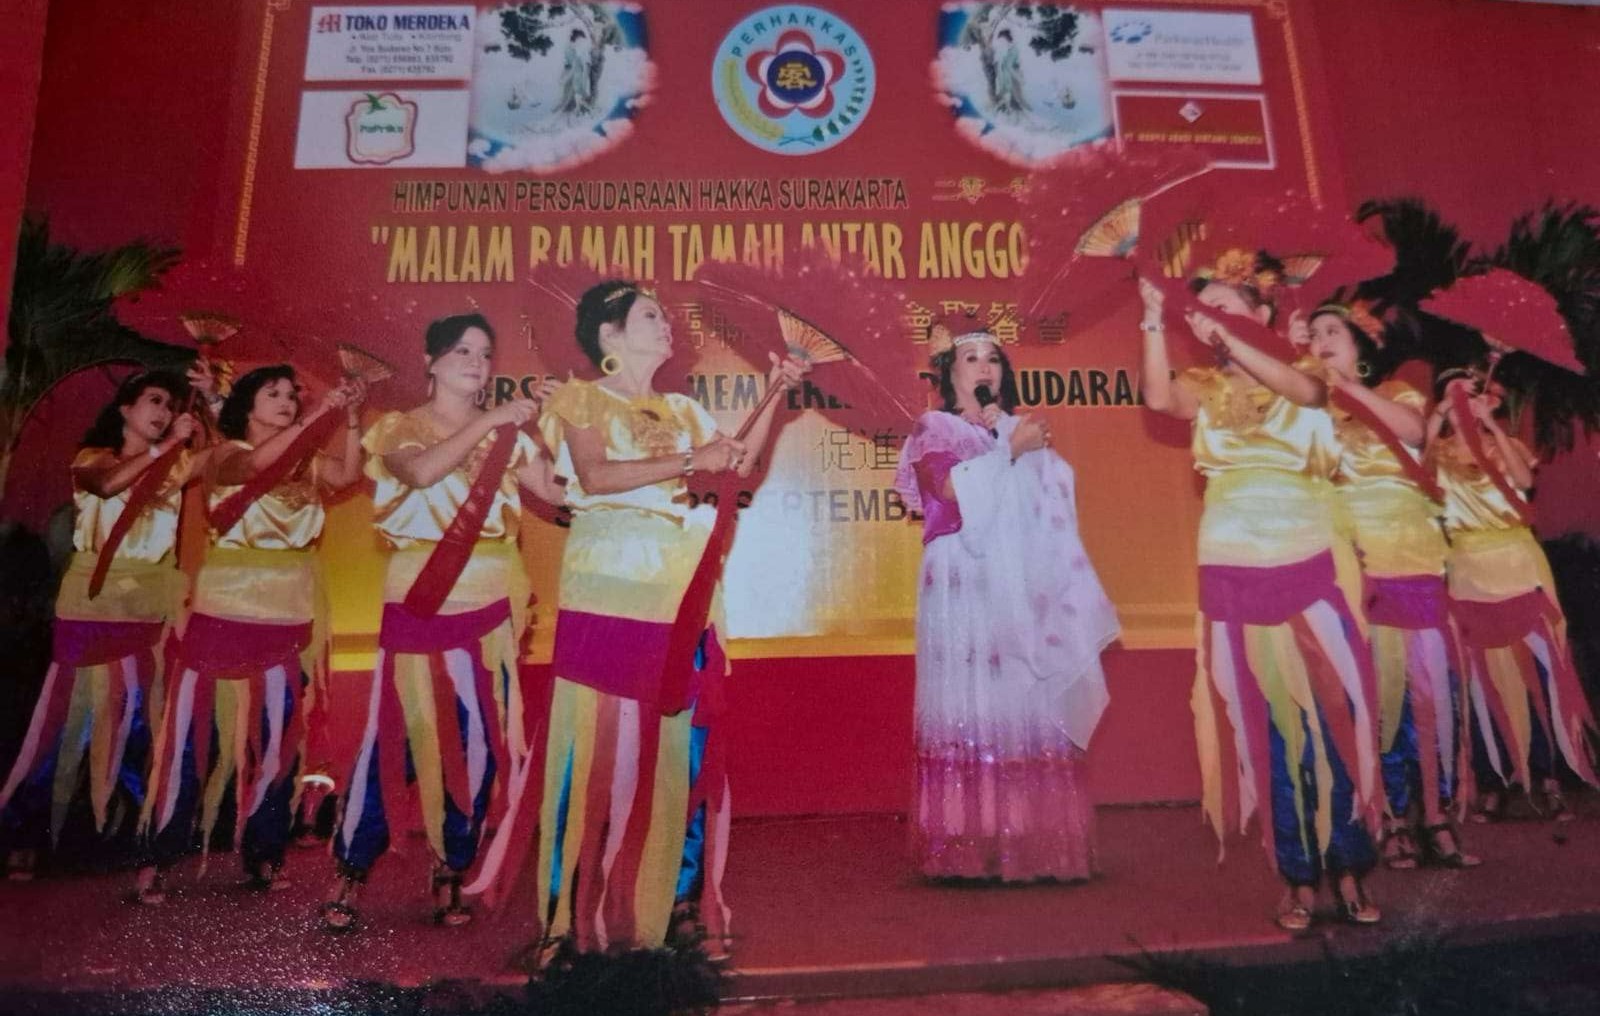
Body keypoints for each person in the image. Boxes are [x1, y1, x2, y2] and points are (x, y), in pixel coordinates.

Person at [525, 280, 804, 955]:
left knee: (679, 750)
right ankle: (569, 913)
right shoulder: (581, 398)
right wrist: (688, 459)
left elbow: (738, 461)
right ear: (610, 334)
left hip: (676, 592)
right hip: (606, 590)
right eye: (650, 315)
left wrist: (777, 392)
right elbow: (594, 476)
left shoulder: (682, 408)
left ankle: (670, 901)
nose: (666, 324)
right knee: (588, 756)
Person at [1139, 253, 1383, 931]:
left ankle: (1350, 868)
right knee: (1273, 733)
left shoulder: (1306, 370)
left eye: (1224, 303)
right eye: (1204, 305)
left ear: (1263, 312)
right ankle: (1297, 878)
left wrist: (1233, 341)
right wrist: (1153, 319)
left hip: (1305, 563)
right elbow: (1158, 399)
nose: (1210, 314)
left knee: (1334, 716)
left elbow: (1303, 395)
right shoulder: (1206, 386)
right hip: (1231, 569)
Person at [323, 313, 561, 930]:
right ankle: (351, 868)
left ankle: (452, 864)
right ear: (430, 362)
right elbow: (420, 472)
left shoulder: (510, 434)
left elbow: (560, 496)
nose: (477, 363)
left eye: (484, 353)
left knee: (478, 742)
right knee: (395, 737)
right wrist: (493, 420)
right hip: (420, 599)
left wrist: (560, 424)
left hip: (491, 603)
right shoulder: (397, 427)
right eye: (461, 352)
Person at [893, 327, 1117, 882]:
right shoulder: (935, 427)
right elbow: (948, 492)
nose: (983, 367)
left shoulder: (1018, 429)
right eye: (970, 358)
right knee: (969, 703)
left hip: (1017, 577)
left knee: (1023, 695)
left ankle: (1028, 840)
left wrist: (1020, 448)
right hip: (960, 579)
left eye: (992, 358)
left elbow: (1052, 503)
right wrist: (1008, 453)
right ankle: (966, 845)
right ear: (949, 373)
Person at [137, 364, 367, 901]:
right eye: (274, 394)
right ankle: (157, 857)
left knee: (278, 747)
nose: (287, 400)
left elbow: (346, 477)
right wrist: (321, 411)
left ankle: (264, 852)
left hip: (287, 616)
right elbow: (261, 462)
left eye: (291, 394)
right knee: (191, 742)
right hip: (223, 614)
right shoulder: (224, 454)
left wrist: (353, 419)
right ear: (246, 406)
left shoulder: (309, 460)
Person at [0, 369, 206, 884]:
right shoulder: (91, 458)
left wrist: (215, 401)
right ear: (125, 409)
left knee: (139, 726)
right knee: (64, 725)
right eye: (153, 400)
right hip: (92, 610)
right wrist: (169, 447)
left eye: (170, 404)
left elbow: (228, 462)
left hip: (147, 610)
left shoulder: (177, 465)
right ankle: (22, 834)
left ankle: (124, 839)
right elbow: (110, 484)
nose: (163, 412)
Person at [1302, 301, 1480, 869]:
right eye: (1313, 333)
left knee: (1431, 697)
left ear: (1362, 344)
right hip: (1357, 566)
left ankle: (1436, 816)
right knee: (1380, 701)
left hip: (1416, 560)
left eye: (1333, 331)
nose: (1321, 340)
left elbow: (1412, 432)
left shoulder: (1396, 392)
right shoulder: (1308, 413)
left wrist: (1346, 387)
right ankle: (1393, 818)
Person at [1428, 372, 1598, 822]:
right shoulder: (1439, 454)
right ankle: (1494, 783)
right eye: (1454, 395)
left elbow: (1524, 479)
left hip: (1519, 565)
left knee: (1539, 675)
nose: (1465, 401)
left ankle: (1549, 778)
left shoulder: (1508, 444)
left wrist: (1492, 428)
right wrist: (1438, 419)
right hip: (1468, 570)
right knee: (1482, 685)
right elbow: (1418, 480)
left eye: (1472, 393)